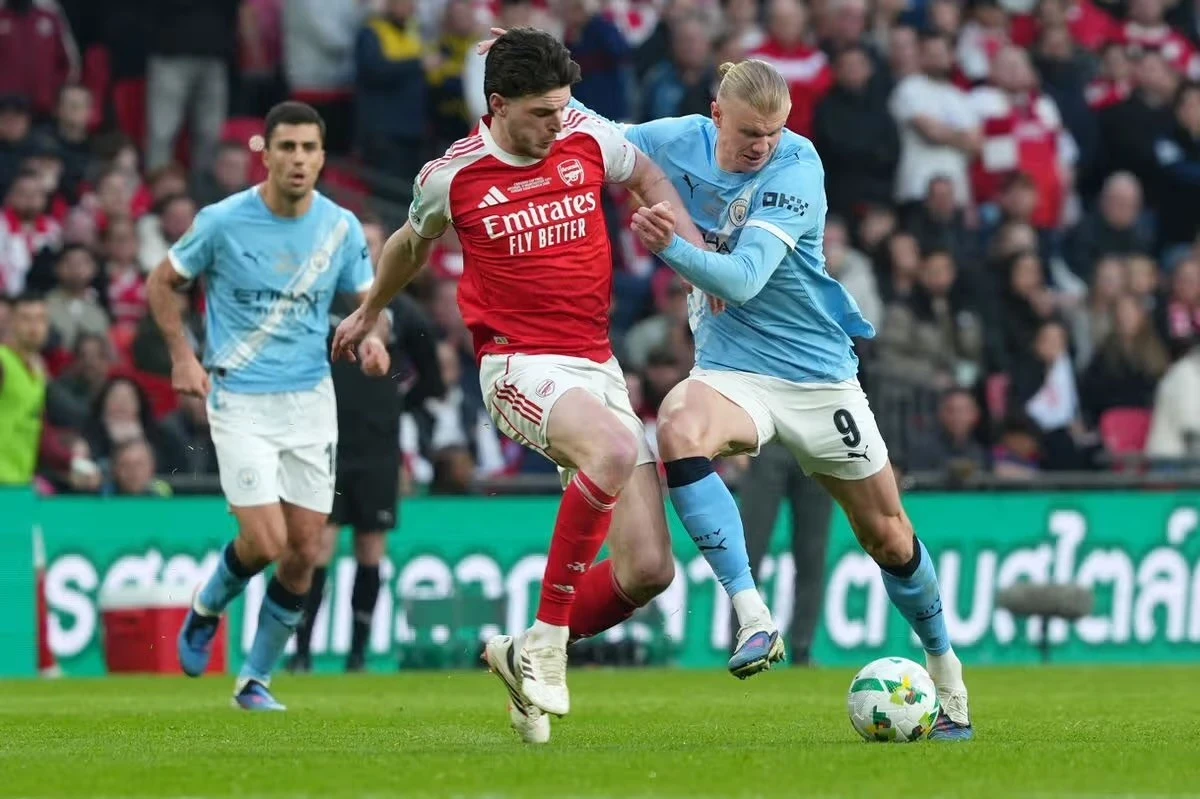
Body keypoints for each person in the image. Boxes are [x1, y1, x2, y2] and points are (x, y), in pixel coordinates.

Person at [574, 57, 974, 740]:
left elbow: (743, 279)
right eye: (750, 133)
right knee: (676, 424)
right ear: (717, 115)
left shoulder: (797, 166)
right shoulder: (677, 140)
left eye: (774, 131)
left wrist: (673, 249)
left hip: (818, 379)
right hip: (733, 371)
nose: (763, 145)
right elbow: (600, 133)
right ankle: (753, 614)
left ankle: (947, 671)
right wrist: (541, 81)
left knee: (887, 535)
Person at [332, 27, 703, 744]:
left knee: (650, 569)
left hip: (596, 364)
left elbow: (649, 175)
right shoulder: (453, 174)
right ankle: (548, 647)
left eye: (563, 108)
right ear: (497, 106)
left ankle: (522, 650)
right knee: (612, 450)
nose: (557, 124)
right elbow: (410, 243)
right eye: (541, 113)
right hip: (518, 365)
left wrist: (691, 257)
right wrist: (371, 308)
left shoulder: (585, 134)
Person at [147, 101, 392, 712]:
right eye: (287, 147)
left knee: (306, 550)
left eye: (309, 148)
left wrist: (373, 339)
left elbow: (368, 302)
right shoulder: (222, 221)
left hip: (310, 401)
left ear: (322, 157)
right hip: (239, 397)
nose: (298, 159)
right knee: (264, 541)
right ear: (268, 154)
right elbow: (162, 282)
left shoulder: (340, 228)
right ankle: (207, 606)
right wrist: (182, 356)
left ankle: (254, 679)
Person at [290, 216, 446, 674]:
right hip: (325, 443)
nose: (363, 251)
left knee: (370, 548)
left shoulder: (405, 311)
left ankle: (358, 654)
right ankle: (302, 652)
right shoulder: (321, 301)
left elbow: (432, 380)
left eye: (372, 243)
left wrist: (393, 405)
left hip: (378, 449)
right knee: (317, 547)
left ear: (385, 250)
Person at [0, 293, 49, 486]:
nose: (34, 327)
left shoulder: (38, 370)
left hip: (19, 481)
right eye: (26, 319)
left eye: (40, 319)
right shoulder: (3, 363)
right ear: (10, 323)